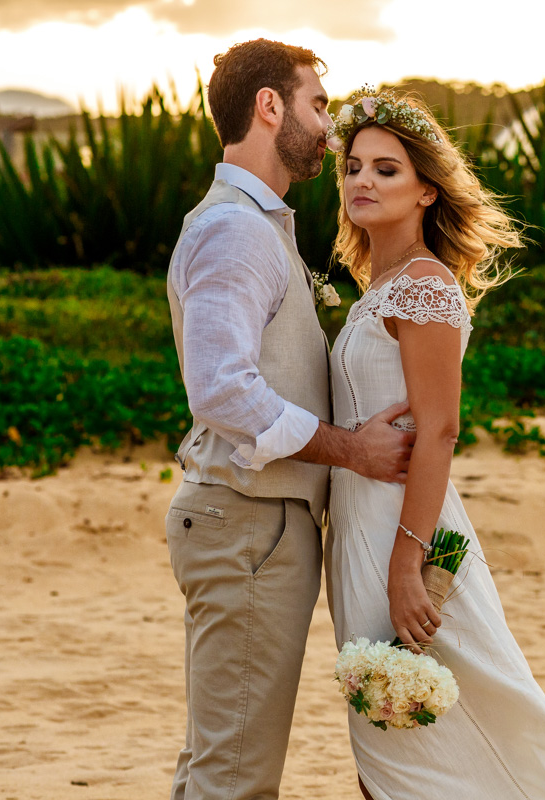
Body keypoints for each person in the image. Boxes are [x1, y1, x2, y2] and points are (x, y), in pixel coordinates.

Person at [323, 88, 545, 799]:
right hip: (357, 531)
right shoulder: (377, 284)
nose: (363, 180)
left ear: (426, 190)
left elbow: (440, 428)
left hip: (408, 536)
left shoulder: (424, 286)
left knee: (446, 735)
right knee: (387, 734)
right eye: (355, 166)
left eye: (387, 170)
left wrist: (404, 561)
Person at [164, 40, 413, 800]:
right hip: (248, 523)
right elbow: (222, 390)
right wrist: (352, 451)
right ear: (269, 107)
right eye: (317, 104)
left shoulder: (257, 224)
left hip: (256, 526)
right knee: (235, 777)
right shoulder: (235, 230)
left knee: (221, 762)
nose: (329, 126)